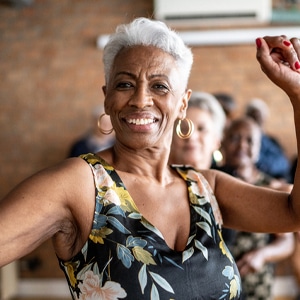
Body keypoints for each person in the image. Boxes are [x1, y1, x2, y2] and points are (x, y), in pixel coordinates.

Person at [1, 17, 300, 299]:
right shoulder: (81, 185)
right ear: (107, 98)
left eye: (159, 86)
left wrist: (298, 95)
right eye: (125, 84)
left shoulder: (205, 188)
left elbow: (293, 213)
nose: (141, 99)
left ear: (182, 103)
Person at [216, 117, 294, 299]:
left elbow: (287, 242)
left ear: (259, 148)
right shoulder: (211, 181)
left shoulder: (270, 187)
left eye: (250, 140)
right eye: (235, 138)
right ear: (223, 143)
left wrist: (262, 255)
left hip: (254, 283)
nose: (242, 145)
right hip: (218, 284)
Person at [169, 91, 226, 169]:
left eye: (201, 129)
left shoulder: (229, 180)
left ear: (216, 141)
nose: (191, 136)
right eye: (183, 129)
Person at [245, 98, 290, 180]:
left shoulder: (272, 141)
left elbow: (283, 164)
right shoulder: (244, 141)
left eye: (259, 117)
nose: (257, 121)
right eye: (253, 117)